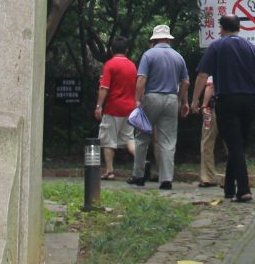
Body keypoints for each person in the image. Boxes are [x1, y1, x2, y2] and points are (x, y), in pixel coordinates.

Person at [191, 14, 255, 203]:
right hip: (249, 101)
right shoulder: (251, 48)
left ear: (222, 28)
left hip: (227, 101)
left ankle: (244, 190)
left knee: (234, 145)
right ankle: (229, 188)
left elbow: (203, 75)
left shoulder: (217, 46)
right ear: (239, 28)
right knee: (239, 145)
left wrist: (195, 100)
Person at [130, 24, 190, 190]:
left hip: (152, 97)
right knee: (168, 140)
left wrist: (137, 100)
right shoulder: (178, 57)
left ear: (154, 40)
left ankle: (139, 175)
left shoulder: (149, 55)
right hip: (171, 99)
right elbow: (185, 81)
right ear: (168, 39)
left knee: (142, 137)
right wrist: (183, 101)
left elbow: (141, 79)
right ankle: (166, 179)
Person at [93, 36, 138, 179]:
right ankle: (142, 161)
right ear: (126, 50)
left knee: (108, 140)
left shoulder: (110, 65)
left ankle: (109, 170)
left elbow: (104, 87)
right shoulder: (132, 66)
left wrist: (99, 106)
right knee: (129, 139)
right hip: (130, 108)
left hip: (113, 107)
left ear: (111, 49)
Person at [197, 74, 220, 188]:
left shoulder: (216, 63)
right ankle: (233, 176)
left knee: (207, 141)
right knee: (231, 143)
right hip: (230, 108)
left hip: (212, 109)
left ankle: (208, 177)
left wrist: (204, 105)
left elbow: (210, 86)